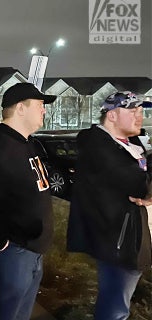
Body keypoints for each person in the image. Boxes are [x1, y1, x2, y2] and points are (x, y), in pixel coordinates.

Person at [0, 82, 57, 320]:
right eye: (39, 105)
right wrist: (0, 242)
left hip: (31, 252)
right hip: (11, 255)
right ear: (20, 108)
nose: (43, 111)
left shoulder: (27, 143)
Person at [67, 91, 151, 320]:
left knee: (117, 303)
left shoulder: (128, 144)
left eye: (141, 111)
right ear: (112, 116)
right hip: (119, 242)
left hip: (131, 236)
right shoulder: (98, 145)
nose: (139, 116)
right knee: (115, 308)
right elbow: (137, 184)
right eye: (132, 110)